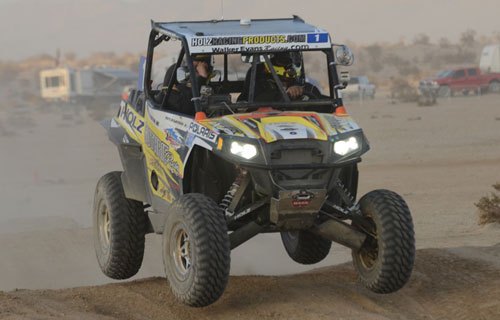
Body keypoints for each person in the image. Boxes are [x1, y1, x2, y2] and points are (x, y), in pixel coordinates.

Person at [239, 52, 306, 103]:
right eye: (283, 60)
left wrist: (301, 92)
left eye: (296, 58)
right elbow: (257, 102)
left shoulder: (303, 86)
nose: (289, 65)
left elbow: (315, 104)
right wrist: (286, 94)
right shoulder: (259, 81)